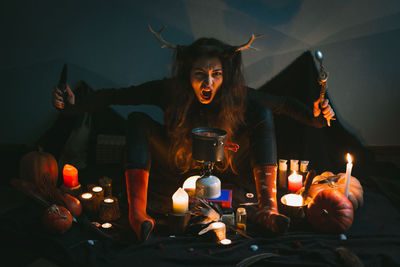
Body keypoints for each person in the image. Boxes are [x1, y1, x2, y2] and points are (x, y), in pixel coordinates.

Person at [53, 28, 335, 241]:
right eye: (200, 73)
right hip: (177, 158)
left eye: (216, 74)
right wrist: (76, 106)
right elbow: (118, 95)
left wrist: (318, 118)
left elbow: (283, 104)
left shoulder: (237, 96)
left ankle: (267, 208)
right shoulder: (169, 90)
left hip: (225, 160)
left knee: (263, 113)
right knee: (137, 120)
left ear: (225, 76)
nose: (208, 81)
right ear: (188, 73)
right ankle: (138, 215)